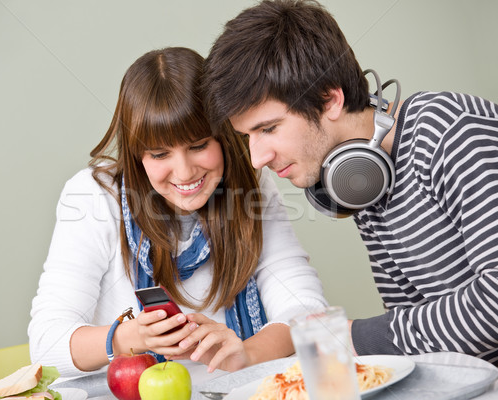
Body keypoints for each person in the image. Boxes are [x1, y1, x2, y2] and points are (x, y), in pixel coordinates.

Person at [203, 0, 498, 365]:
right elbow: (417, 337)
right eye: (248, 135)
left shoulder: (453, 132)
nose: (257, 158)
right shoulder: (359, 176)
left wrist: (353, 337)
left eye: (269, 128)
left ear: (330, 99)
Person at [28, 46, 327, 377]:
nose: (184, 173)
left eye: (199, 146)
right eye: (159, 154)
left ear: (223, 138)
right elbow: (45, 346)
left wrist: (246, 353)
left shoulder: (251, 182)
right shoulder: (95, 196)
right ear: (137, 156)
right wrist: (130, 337)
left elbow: (308, 310)